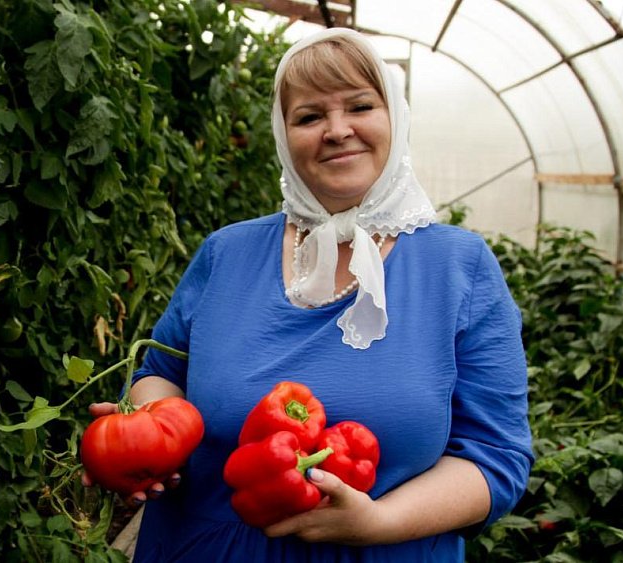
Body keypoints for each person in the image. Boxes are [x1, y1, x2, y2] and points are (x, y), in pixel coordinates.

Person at [86, 27, 533, 562]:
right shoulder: (227, 253)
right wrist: (151, 441)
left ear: (396, 117)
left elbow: (495, 457)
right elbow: (160, 370)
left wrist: (377, 522)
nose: (338, 130)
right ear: (283, 134)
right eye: (309, 116)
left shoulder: (459, 268)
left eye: (361, 106)